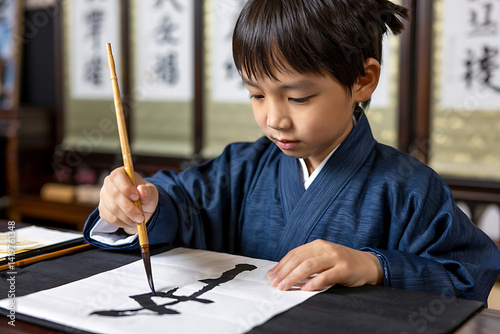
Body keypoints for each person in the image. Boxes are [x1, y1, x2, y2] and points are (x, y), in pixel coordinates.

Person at [83, 0, 500, 305]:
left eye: (298, 97)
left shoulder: (409, 187)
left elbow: (470, 275)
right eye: (256, 94)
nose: (274, 119)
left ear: (363, 80)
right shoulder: (242, 167)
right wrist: (142, 202)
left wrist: (374, 266)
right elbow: (183, 202)